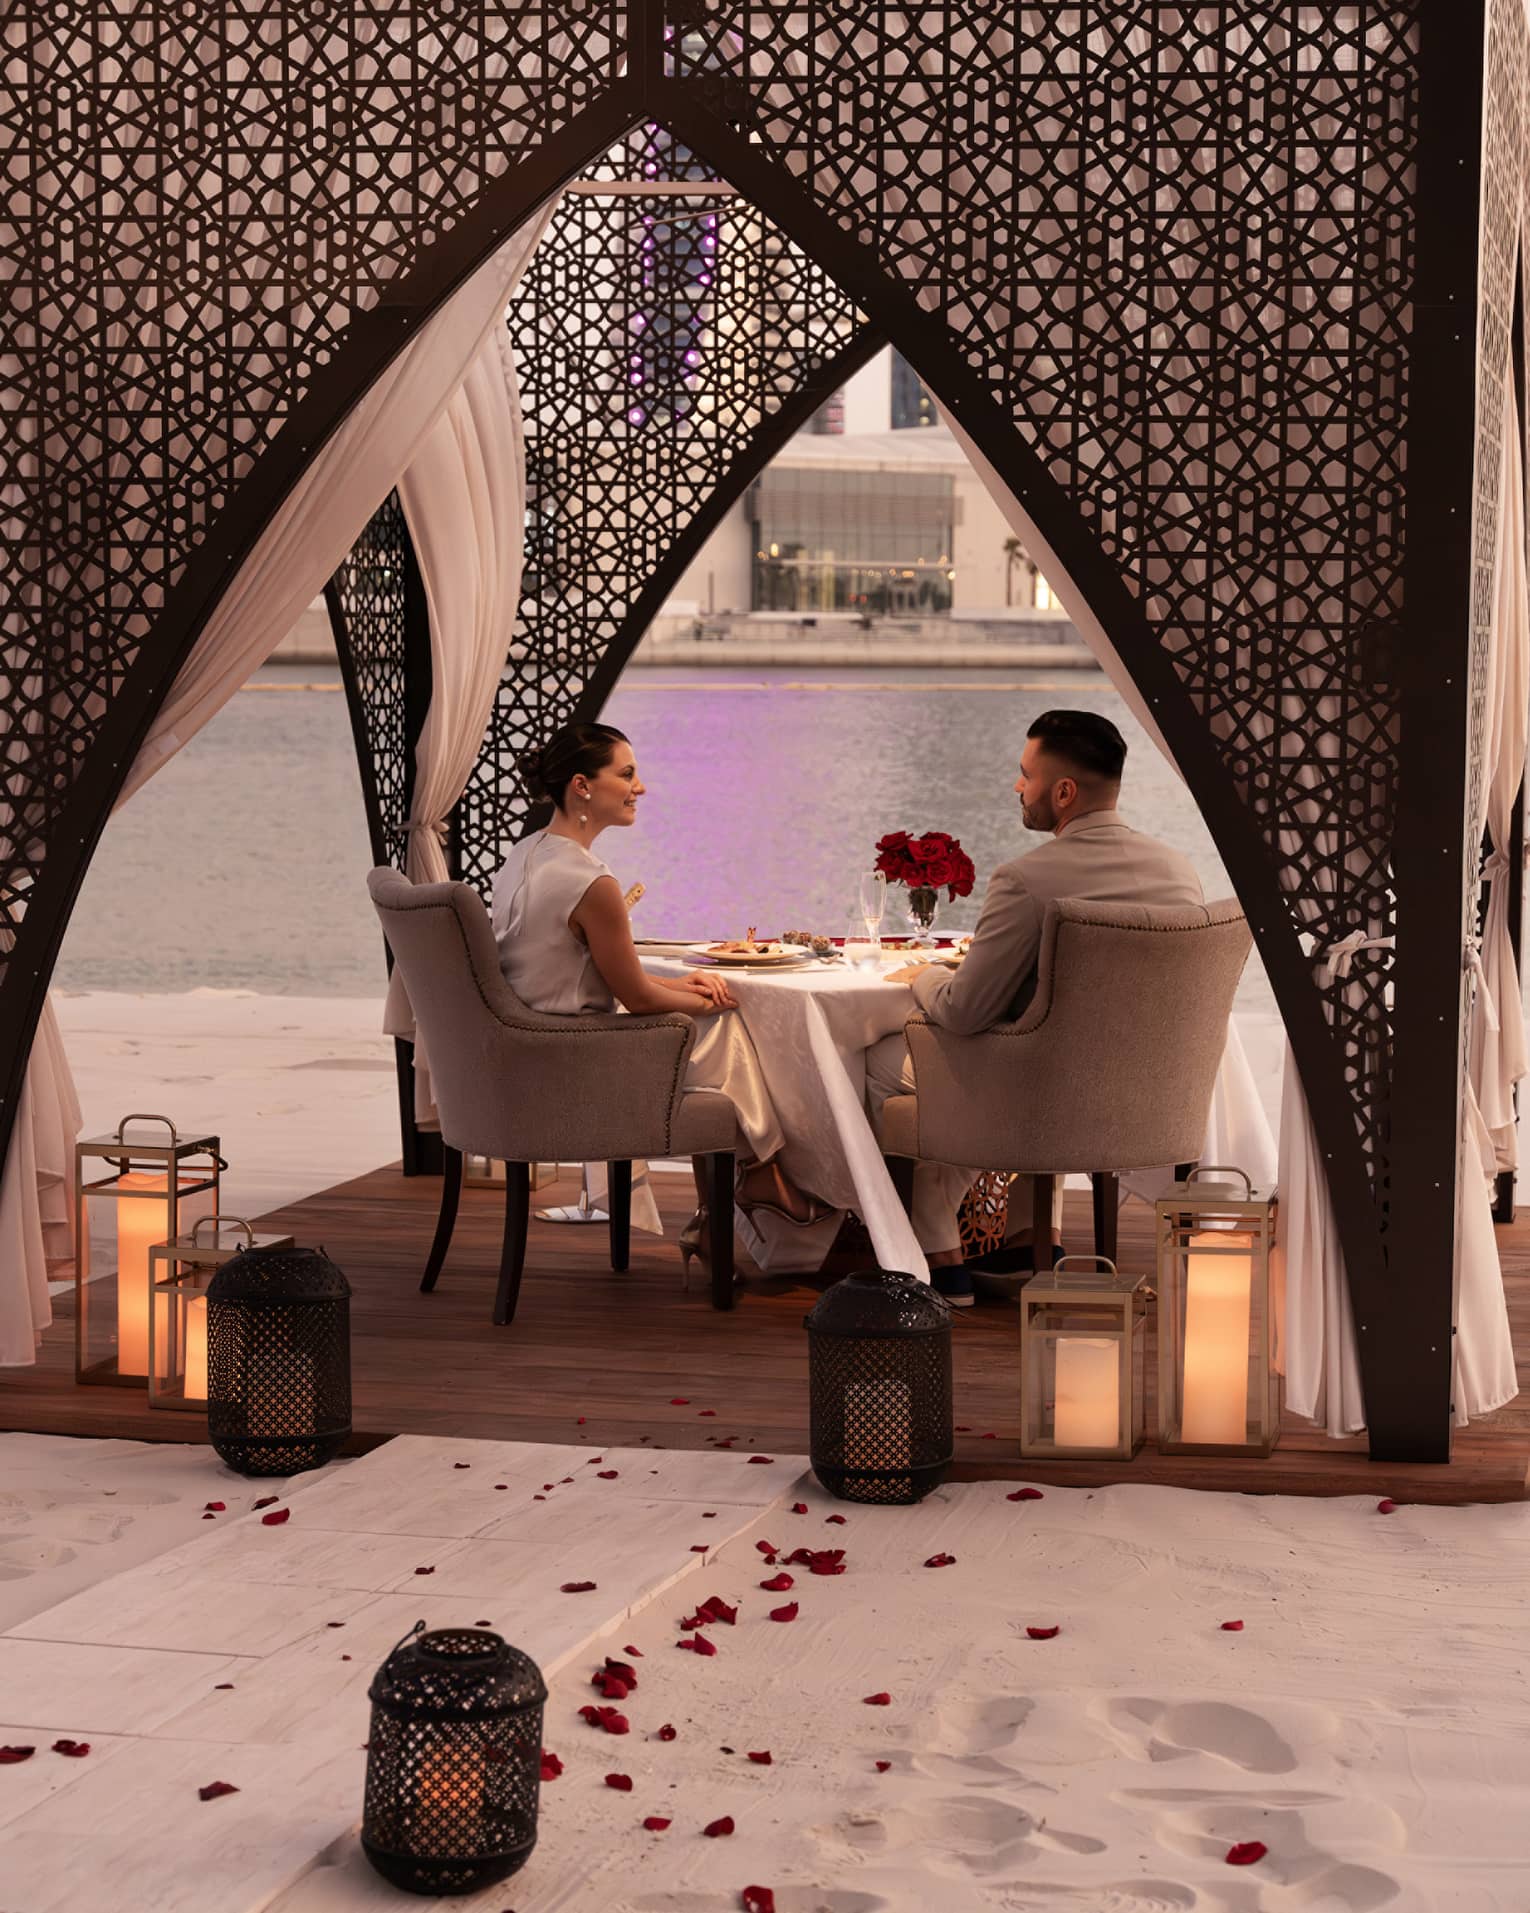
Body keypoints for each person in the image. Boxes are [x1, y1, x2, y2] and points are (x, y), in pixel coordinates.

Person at [866, 709, 1203, 1305]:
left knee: (882, 1059)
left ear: (1064, 792)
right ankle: (1029, 1237)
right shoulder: (1179, 874)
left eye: (1026, 774)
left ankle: (937, 1257)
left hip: (1044, 1097)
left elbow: (965, 1011)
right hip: (1151, 1096)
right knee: (1043, 1048)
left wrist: (925, 975)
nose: (1017, 785)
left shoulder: (1029, 878)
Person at [491, 721, 810, 1280]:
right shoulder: (593, 883)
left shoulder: (524, 855)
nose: (640, 787)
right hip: (576, 1063)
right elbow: (637, 998)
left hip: (530, 1051)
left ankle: (730, 1200)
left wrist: (685, 988)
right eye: (627, 774)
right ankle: (764, 1173)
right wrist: (710, 1002)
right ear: (582, 786)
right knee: (724, 1027)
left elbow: (600, 976)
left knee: (706, 1026)